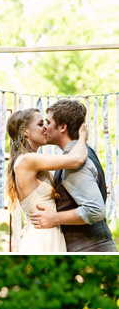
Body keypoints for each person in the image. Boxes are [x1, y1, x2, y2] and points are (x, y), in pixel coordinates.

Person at [29, 99, 117, 252]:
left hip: (90, 250)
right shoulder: (79, 153)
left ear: (62, 127)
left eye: (48, 123)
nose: (45, 127)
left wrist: (54, 218)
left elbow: (95, 210)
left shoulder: (75, 161)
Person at [6, 107, 88, 253]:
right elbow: (77, 160)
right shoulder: (26, 160)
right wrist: (82, 136)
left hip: (50, 232)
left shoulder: (30, 161)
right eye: (40, 124)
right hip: (41, 236)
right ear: (25, 131)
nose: (45, 128)